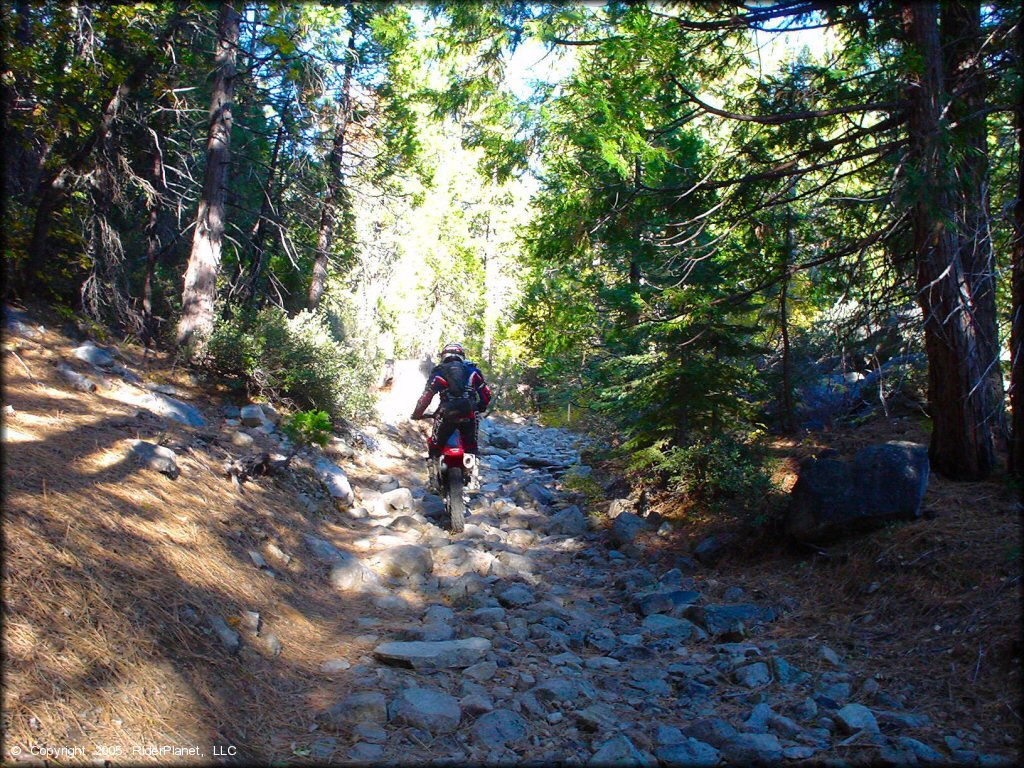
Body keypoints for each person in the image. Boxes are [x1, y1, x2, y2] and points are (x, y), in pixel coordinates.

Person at [411, 342, 491, 490]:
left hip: (445, 415)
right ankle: (474, 478)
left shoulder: (439, 372)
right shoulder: (473, 371)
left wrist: (417, 414)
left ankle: (434, 479)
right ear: (462, 356)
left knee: (435, 447)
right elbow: (486, 394)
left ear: (443, 356)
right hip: (470, 414)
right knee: (471, 446)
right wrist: (479, 408)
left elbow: (426, 397)